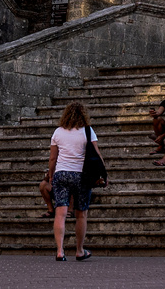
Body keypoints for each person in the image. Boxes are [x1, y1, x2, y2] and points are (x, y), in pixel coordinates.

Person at [48, 101, 102, 261]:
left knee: (60, 213)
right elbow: (97, 154)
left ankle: (60, 251)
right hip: (81, 175)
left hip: (61, 174)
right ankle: (79, 250)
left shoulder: (58, 132)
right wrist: (103, 175)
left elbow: (52, 158)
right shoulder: (88, 131)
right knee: (81, 214)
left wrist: (51, 175)